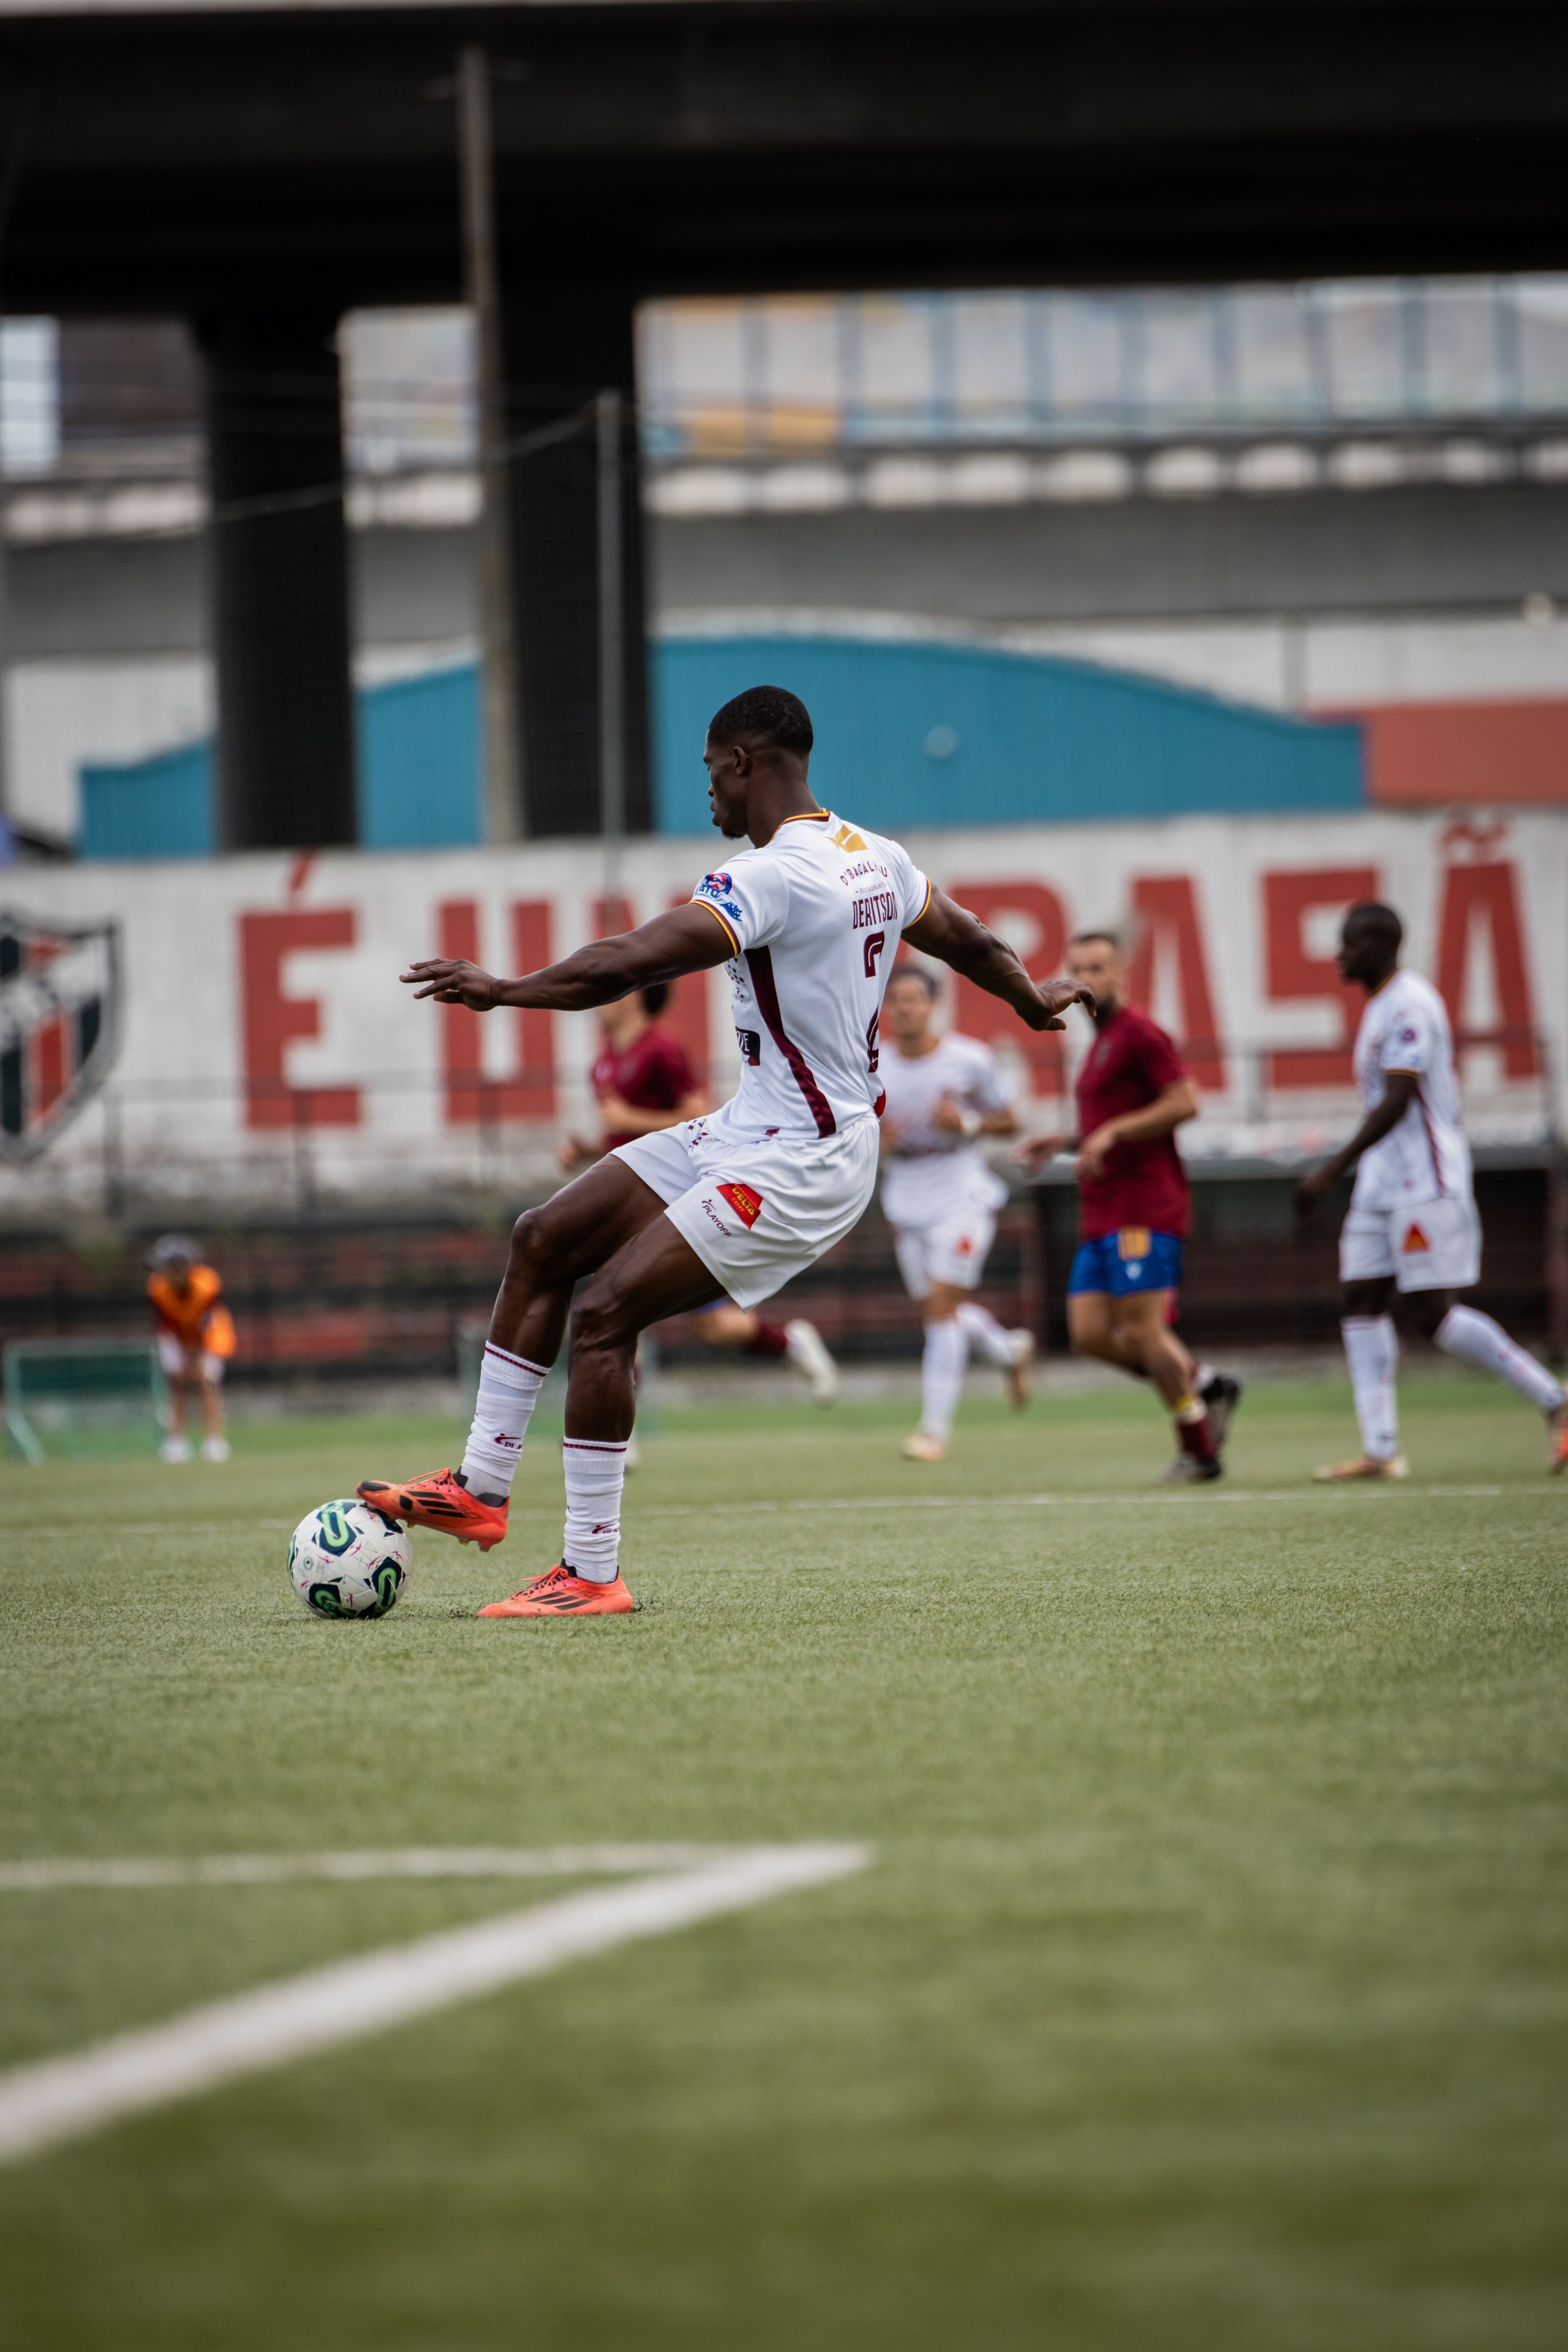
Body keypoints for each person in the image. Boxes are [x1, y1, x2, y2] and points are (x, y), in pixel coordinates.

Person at [358, 683, 1092, 1616]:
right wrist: (1033, 1003)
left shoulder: (771, 876)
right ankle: (480, 1487)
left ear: (745, 763)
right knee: (545, 1236)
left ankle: (589, 1573)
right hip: (753, 1127)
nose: (707, 793)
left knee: (608, 1312)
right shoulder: (878, 858)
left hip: (803, 1159)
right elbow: (972, 941)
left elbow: (632, 960)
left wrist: (505, 991)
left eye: (711, 772)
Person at [1295, 899, 1568, 1479]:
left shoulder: (1411, 1005)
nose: (1340, 954)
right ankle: (1381, 1449)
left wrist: (1329, 1169)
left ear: (1385, 946)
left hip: (1425, 1180)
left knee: (1431, 1314)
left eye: (1351, 942)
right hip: (1380, 1184)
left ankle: (1556, 1400)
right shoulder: (1377, 1007)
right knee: (1360, 1300)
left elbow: (1397, 1102)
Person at [1012, 929, 1241, 1483]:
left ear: (1121, 977)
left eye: (1097, 969)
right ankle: (1208, 1385)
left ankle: (1199, 1449)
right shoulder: (1099, 1044)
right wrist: (1065, 1141)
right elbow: (1102, 1128)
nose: (1086, 980)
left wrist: (1112, 1133)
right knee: (1088, 1334)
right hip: (1101, 1211)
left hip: (1144, 1207)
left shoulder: (1140, 1033)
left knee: (1143, 1331)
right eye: (1078, 969)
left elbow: (1185, 1101)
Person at [560, 981, 840, 1403]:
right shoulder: (604, 1063)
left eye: (613, 990)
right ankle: (614, 1434)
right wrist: (589, 1150)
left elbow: (696, 1117)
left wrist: (628, 1116)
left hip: (672, 1199)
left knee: (699, 1323)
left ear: (635, 996)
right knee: (617, 1310)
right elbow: (628, 1139)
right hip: (630, 1200)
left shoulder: (661, 1050)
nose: (602, 1000)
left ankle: (792, 1343)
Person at [878, 963, 1033, 1461]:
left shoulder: (969, 1059)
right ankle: (1008, 1351)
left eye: (912, 999)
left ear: (932, 1004)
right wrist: (876, 1142)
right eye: (895, 1000)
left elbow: (1010, 1121)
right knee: (937, 1312)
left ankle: (933, 1432)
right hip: (905, 1192)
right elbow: (847, 1129)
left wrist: (965, 1122)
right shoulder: (871, 1066)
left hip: (960, 1193)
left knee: (942, 1310)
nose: (904, 1008)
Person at [146, 1234, 235, 1463]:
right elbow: (165, 1323)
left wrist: (195, 1357)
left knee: (207, 1380)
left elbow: (208, 1321)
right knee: (176, 1382)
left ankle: (214, 1441)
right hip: (175, 1336)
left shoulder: (207, 1283)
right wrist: (181, 1358)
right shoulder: (157, 1287)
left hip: (212, 1335)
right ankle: (175, 1442)